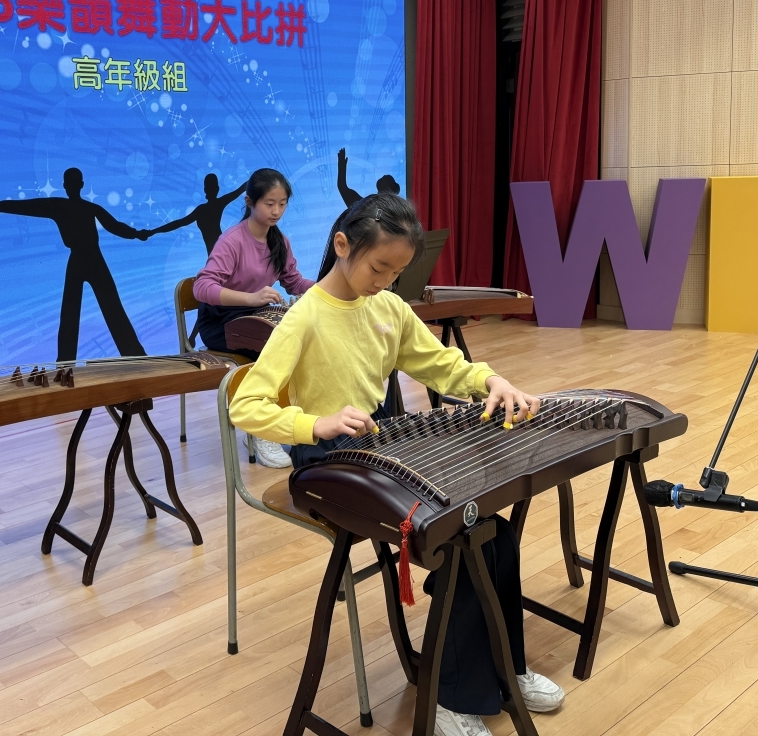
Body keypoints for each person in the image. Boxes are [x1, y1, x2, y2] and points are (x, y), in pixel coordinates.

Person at [229, 193, 563, 736]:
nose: (385, 281)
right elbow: (245, 405)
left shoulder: (386, 308)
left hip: (381, 452)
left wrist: (490, 380)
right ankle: (449, 700)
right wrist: (315, 423)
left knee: (495, 535)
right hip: (327, 464)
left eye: (396, 272)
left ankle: (507, 668)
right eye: (378, 267)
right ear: (343, 245)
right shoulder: (305, 317)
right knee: (463, 541)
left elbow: (441, 365)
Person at [193, 168, 314, 469]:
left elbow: (294, 282)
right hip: (220, 321)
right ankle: (262, 429)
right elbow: (202, 287)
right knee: (272, 346)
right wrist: (251, 298)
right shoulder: (233, 240)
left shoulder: (279, 241)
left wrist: (333, 285)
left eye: (282, 204)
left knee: (301, 337)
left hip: (253, 315)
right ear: (250, 202)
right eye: (269, 203)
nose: (276, 211)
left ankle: (296, 419)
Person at [0, 168, 146, 362]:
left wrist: (136, 233)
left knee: (105, 309)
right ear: (75, 185)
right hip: (83, 260)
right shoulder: (67, 207)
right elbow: (25, 206)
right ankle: (68, 363)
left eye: (72, 183)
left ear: (71, 186)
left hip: (91, 259)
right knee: (75, 313)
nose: (71, 186)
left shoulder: (72, 207)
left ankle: (132, 357)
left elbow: (115, 226)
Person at [319, 147, 402, 279]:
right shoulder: (364, 208)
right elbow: (343, 187)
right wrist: (341, 167)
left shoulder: (398, 219)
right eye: (376, 269)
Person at [139, 173, 248, 254]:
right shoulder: (211, 207)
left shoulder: (204, 209)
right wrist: (152, 232)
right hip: (220, 253)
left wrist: (152, 232)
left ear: (205, 189)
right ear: (217, 189)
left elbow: (178, 223)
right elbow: (239, 190)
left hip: (221, 253)